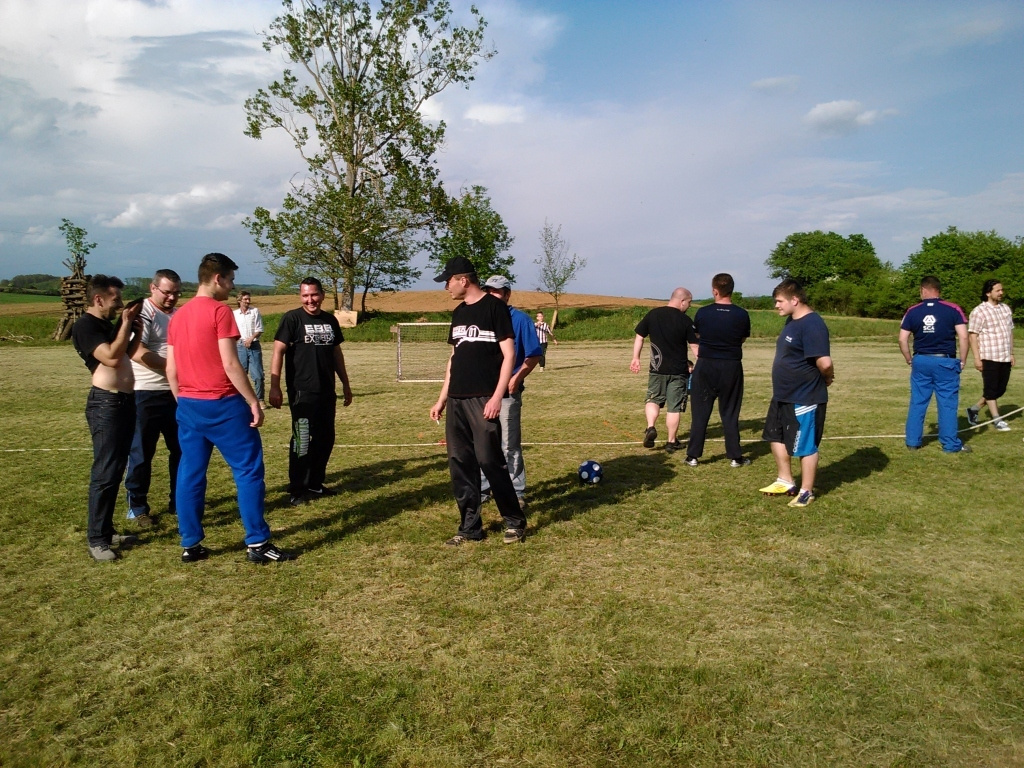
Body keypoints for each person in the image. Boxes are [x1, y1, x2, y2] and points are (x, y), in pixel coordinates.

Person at [166, 252, 295, 564]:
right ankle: (257, 542)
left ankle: (191, 544)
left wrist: (182, 400)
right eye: (231, 280)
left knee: (190, 474)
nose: (232, 286)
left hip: (189, 404)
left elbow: (171, 369)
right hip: (223, 405)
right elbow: (230, 363)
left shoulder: (178, 316)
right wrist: (253, 401)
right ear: (217, 278)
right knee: (248, 470)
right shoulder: (220, 311)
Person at [429, 256, 527, 546]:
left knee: (489, 461)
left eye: (448, 281)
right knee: (460, 464)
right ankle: (469, 528)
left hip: (484, 399)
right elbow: (453, 359)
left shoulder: (495, 308)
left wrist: (497, 396)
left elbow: (509, 355)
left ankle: (515, 522)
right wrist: (442, 398)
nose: (446, 287)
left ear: (464, 280)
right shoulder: (458, 312)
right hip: (457, 400)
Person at [71, 275, 143, 561]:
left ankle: (107, 531)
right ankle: (97, 540)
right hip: (106, 403)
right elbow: (111, 358)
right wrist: (125, 323)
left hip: (123, 401)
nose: (120, 304)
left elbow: (124, 352)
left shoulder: (104, 325)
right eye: (116, 300)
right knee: (105, 472)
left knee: (115, 470)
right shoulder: (85, 326)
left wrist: (134, 331)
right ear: (98, 299)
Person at [269, 277, 353, 506]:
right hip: (302, 392)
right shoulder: (292, 318)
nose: (310, 300)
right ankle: (297, 489)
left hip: (326, 391)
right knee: (302, 440)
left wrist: (345, 384)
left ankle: (315, 483)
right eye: (305, 295)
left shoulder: (330, 320)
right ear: (300, 296)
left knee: (325, 439)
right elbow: (278, 351)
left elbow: (336, 354)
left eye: (314, 294)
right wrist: (274, 386)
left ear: (322, 295)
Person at [759, 279, 834, 508]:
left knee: (805, 445)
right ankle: (785, 481)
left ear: (795, 300)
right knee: (775, 436)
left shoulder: (813, 324)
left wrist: (827, 378)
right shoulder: (791, 321)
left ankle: (806, 491)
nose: (776, 306)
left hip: (804, 396)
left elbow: (825, 362)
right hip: (783, 394)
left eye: (779, 301)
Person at [123, 268, 182, 530]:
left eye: (176, 293)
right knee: (141, 452)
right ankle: (137, 508)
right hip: (144, 392)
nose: (172, 298)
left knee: (181, 449)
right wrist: (174, 367)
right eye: (167, 292)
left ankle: (179, 501)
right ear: (153, 288)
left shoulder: (178, 315)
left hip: (175, 392)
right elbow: (136, 351)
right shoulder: (143, 312)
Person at [479, 275, 543, 506]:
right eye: (488, 291)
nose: (492, 295)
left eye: (496, 291)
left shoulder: (521, 320)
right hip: (482, 391)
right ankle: (483, 489)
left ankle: (516, 492)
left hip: (507, 393)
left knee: (509, 444)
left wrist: (516, 378)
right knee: (484, 442)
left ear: (507, 294)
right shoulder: (482, 317)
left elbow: (534, 354)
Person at [685, 273, 751, 467]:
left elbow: (697, 335)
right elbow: (742, 339)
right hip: (731, 366)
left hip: (706, 365)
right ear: (731, 290)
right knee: (730, 412)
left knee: (700, 412)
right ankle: (735, 457)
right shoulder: (741, 314)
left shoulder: (703, 313)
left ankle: (693, 456)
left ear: (715, 291)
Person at [898, 276, 970, 454]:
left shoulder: (912, 310)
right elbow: (963, 336)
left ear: (923, 290)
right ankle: (950, 444)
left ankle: (913, 441)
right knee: (947, 403)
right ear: (938, 290)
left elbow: (902, 339)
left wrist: (908, 358)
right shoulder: (953, 309)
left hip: (921, 360)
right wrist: (963, 360)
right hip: (945, 361)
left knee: (918, 401)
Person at [630, 287, 699, 452]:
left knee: (653, 399)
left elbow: (639, 337)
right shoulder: (685, 320)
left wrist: (636, 358)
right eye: (689, 302)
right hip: (678, 371)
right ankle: (671, 441)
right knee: (674, 407)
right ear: (682, 301)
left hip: (657, 368)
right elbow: (695, 346)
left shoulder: (653, 314)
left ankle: (650, 427)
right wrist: (702, 364)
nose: (689, 306)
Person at [966, 279, 1014, 431]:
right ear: (988, 293)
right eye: (997, 290)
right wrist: (977, 358)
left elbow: (1010, 332)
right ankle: (997, 419)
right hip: (989, 356)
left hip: (1004, 356)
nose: (1001, 293)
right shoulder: (979, 311)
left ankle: (974, 408)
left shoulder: (1005, 309)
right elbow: (973, 335)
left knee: (1000, 389)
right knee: (991, 388)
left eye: (1002, 290)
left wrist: (1011, 353)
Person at [233, 291, 265, 404]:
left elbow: (259, 329)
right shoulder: (234, 314)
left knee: (258, 375)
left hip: (254, 345)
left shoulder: (254, 311)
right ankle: (240, 399)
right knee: (241, 374)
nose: (248, 301)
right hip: (240, 346)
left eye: (249, 299)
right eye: (245, 299)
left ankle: (260, 399)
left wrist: (251, 339)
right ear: (239, 301)